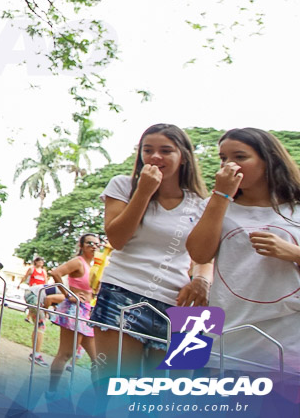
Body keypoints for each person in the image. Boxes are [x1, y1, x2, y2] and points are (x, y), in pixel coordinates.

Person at [90, 124, 212, 377]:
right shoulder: (123, 186)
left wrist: (201, 280)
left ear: (184, 156)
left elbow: (204, 255)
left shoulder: (201, 203)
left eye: (166, 150)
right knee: (114, 385)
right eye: (148, 150)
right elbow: (117, 239)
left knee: (165, 393)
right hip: (122, 293)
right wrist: (144, 192)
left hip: (176, 304)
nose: (155, 157)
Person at [186, 128, 300, 374]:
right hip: (226, 346)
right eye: (223, 158)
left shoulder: (296, 208)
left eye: (239, 157)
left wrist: (293, 252)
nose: (229, 165)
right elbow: (199, 254)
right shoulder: (217, 204)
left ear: (268, 159)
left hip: (288, 349)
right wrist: (221, 195)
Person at [46, 234, 101, 391]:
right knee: (65, 354)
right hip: (74, 311)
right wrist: (69, 294)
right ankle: (52, 391)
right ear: (82, 245)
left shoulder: (94, 267)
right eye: (90, 243)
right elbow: (56, 273)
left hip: (87, 313)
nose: (94, 246)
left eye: (97, 244)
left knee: (98, 359)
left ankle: (99, 400)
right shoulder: (78, 262)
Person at [20, 257, 51, 366]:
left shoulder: (44, 272)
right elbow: (49, 299)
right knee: (41, 325)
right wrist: (47, 311)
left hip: (35, 295)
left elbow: (46, 285)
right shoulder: (32, 269)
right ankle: (36, 355)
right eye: (39, 261)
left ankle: (35, 353)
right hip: (34, 295)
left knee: (38, 325)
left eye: (43, 261)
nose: (41, 263)